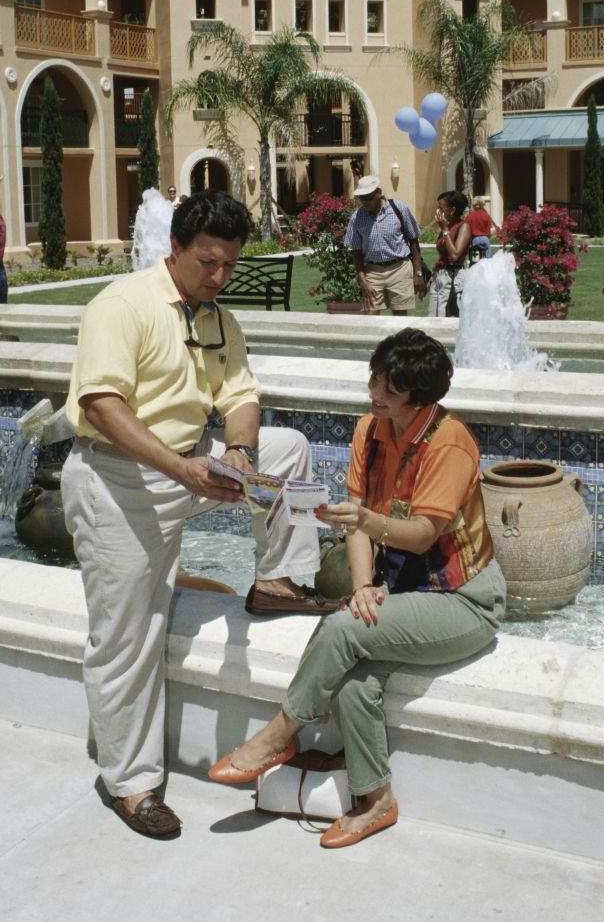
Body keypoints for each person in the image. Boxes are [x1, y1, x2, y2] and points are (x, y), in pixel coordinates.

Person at [61, 190, 338, 839]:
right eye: (207, 262)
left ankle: (276, 581)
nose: (218, 276)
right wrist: (182, 468)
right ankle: (132, 786)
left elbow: (241, 395)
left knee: (286, 450)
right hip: (119, 479)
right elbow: (102, 404)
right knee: (128, 636)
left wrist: (238, 454)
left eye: (229, 266)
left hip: (193, 464)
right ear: (177, 249)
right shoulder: (122, 305)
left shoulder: (219, 320)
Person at [208, 328, 505, 849]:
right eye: (373, 378)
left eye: (388, 389)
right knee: (352, 678)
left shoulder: (450, 443)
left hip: (464, 602)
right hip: (406, 592)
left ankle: (280, 734)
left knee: (341, 629)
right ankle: (376, 800)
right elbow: (356, 525)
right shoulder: (371, 430)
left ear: (417, 397)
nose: (374, 393)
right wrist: (364, 584)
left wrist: (366, 520)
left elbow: (420, 536)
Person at [344, 175, 426, 316]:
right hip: (373, 271)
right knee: (370, 316)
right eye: (361, 198)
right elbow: (356, 252)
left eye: (368, 197)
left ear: (379, 193)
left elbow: (414, 242)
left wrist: (418, 273)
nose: (365, 201)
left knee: (399, 319)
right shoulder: (356, 218)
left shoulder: (399, 208)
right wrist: (363, 281)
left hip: (399, 268)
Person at [428, 191, 471, 316]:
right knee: (434, 316)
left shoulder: (463, 227)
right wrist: (434, 273)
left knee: (449, 317)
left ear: (452, 210)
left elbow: (455, 255)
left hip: (453, 278)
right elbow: (443, 255)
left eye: (440, 208)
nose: (437, 211)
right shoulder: (445, 227)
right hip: (440, 277)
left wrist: (445, 231)